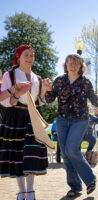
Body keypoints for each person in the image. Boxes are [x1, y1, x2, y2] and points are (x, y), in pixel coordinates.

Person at [0, 44, 52, 200]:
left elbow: (39, 102)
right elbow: (5, 101)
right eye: (26, 55)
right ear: (19, 57)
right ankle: (22, 191)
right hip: (14, 117)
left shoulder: (37, 78)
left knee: (31, 155)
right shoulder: (10, 75)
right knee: (17, 155)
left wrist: (44, 92)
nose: (30, 58)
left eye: (32, 55)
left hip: (32, 118)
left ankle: (30, 191)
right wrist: (16, 91)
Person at [45, 53, 98, 197]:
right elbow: (50, 98)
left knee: (71, 149)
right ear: (66, 65)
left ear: (81, 66)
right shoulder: (59, 81)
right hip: (62, 120)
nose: (73, 66)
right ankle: (75, 187)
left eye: (76, 64)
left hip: (80, 119)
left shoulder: (85, 82)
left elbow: (94, 100)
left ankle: (90, 178)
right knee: (65, 153)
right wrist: (46, 89)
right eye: (71, 63)